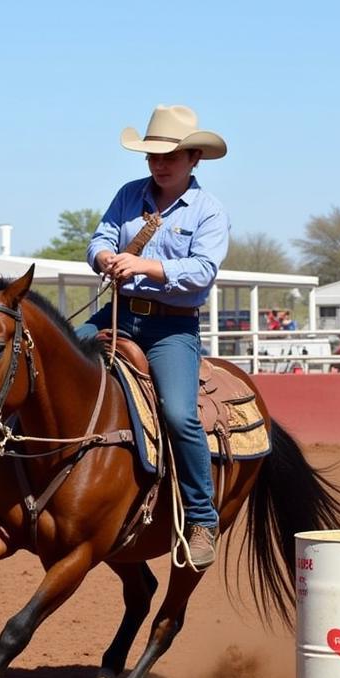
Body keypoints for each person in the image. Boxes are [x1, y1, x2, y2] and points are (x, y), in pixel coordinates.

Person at [82, 104, 230, 569]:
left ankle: (202, 518)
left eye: (170, 155)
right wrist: (105, 258)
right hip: (118, 313)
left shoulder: (208, 210)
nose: (160, 163)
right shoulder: (129, 195)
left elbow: (203, 271)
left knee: (180, 413)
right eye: (153, 156)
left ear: (194, 159)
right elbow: (99, 239)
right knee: (51, 362)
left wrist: (145, 265)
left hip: (171, 327)